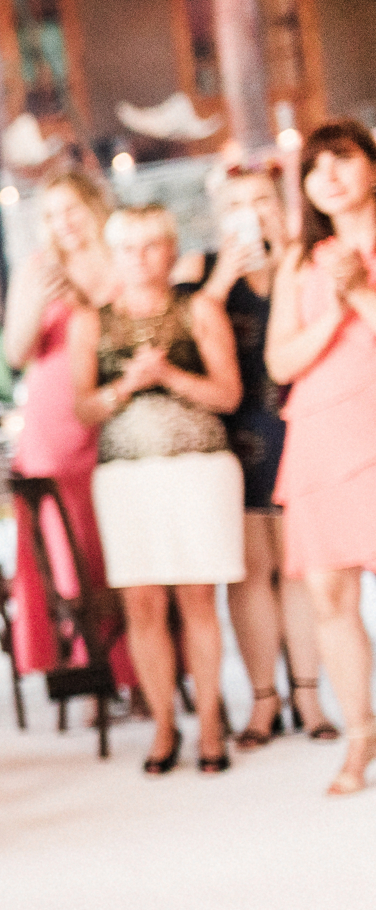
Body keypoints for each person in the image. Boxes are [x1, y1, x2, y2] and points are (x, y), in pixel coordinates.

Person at [69, 204, 244, 776]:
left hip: (197, 468)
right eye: (128, 247)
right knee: (142, 604)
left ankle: (212, 724)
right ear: (113, 256)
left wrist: (168, 376)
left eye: (151, 245)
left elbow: (227, 395)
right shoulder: (91, 321)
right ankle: (165, 725)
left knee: (198, 599)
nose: (140, 259)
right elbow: (83, 407)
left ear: (170, 250)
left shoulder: (199, 309)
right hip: (126, 476)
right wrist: (127, 385)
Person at [187, 166, 331, 748]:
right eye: (239, 204)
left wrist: (288, 248)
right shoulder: (203, 272)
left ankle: (310, 694)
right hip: (235, 428)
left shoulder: (307, 262)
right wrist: (224, 275)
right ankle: (263, 700)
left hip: (301, 422)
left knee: (301, 568)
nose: (253, 212)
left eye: (263, 201)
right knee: (249, 573)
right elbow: (191, 328)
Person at [266, 119, 376, 796]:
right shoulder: (299, 260)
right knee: (329, 594)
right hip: (317, 433)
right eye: (314, 167)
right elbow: (281, 359)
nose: (328, 176)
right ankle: (361, 733)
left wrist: (359, 287)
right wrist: (334, 307)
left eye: (341, 159)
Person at [1, 172, 137, 693]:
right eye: (53, 215)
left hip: (114, 411)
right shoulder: (36, 269)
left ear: (93, 209)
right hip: (55, 424)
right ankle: (90, 671)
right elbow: (16, 353)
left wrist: (86, 299)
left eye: (72, 210)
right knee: (69, 553)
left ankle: (141, 667)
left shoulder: (121, 258)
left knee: (120, 546)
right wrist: (39, 303)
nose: (65, 224)